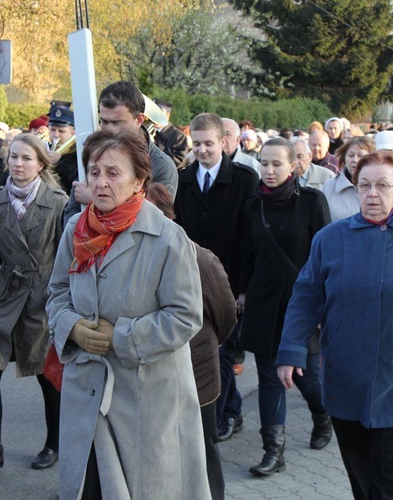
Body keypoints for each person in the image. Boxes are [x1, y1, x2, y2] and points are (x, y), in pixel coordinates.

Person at [277, 150, 393, 500]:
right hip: (345, 375)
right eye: (364, 185)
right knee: (360, 475)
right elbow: (305, 297)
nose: (371, 194)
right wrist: (290, 351)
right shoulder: (331, 239)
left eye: (382, 186)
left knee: (391, 479)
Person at [46, 127, 210, 499]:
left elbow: (185, 317)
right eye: (94, 172)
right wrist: (71, 327)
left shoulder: (168, 238)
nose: (100, 183)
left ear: (139, 179)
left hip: (146, 400)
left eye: (113, 173)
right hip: (86, 392)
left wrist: (118, 336)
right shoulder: (75, 228)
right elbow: (55, 292)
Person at [239, 137, 332, 478]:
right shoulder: (253, 205)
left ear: (294, 166)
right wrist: (242, 290)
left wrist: (323, 305)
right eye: (264, 163)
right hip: (263, 302)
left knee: (306, 376)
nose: (269, 170)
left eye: (277, 164)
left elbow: (326, 257)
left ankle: (322, 416)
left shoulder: (311, 201)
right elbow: (247, 252)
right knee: (269, 377)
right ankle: (273, 451)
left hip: (302, 304)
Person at [0, 133, 68, 472]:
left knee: (46, 375)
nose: (17, 164)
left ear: (41, 163)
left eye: (26, 158)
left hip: (41, 297)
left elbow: (66, 254)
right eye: (13, 157)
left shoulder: (57, 202)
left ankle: (53, 445)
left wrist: (61, 298)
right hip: (4, 294)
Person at [146, 182, 236, 500]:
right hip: (151, 378)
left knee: (202, 448)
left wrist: (203, 344)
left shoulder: (200, 258)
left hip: (197, 374)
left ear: (169, 217)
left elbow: (225, 317)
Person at [174, 113, 257, 444]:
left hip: (229, 285)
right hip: (191, 283)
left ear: (224, 141)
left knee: (220, 353)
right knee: (210, 352)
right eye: (197, 144)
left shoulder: (244, 179)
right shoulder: (184, 179)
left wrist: (243, 289)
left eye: (209, 143)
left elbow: (250, 240)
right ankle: (233, 409)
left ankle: (219, 418)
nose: (203, 150)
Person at [63, 80, 178, 222]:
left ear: (139, 119)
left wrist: (95, 199)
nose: (109, 129)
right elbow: (71, 212)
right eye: (104, 122)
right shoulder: (94, 153)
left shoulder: (163, 166)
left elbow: (156, 221)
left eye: (117, 123)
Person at [322, 137, 375, 221]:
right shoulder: (329, 186)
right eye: (351, 155)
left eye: (360, 155)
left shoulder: (380, 187)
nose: (355, 160)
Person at [152, 98, 189, 168]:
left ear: (167, 115)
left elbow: (178, 161)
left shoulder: (178, 136)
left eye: (159, 111)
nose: (154, 115)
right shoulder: (143, 130)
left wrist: (153, 146)